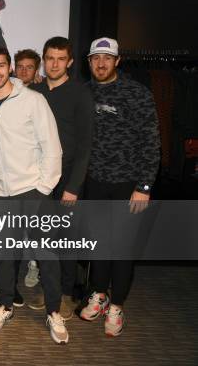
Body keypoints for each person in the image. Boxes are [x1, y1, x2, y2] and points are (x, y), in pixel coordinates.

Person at [0, 46, 64, 344]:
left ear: (9, 67)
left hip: (34, 191)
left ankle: (54, 311)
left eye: (1, 66)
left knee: (48, 256)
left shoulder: (33, 101)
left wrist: (42, 190)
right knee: (2, 256)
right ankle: (4, 305)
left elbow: (52, 148)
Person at [80, 37, 160, 337]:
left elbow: (151, 143)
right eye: (95, 58)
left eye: (107, 58)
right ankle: (99, 295)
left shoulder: (138, 94)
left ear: (117, 61)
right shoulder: (84, 92)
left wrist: (144, 186)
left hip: (129, 186)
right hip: (95, 183)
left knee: (122, 249)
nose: (101, 63)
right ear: (89, 62)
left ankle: (117, 306)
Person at [29, 37, 94, 321]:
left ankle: (66, 294)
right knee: (43, 238)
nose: (54, 64)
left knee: (66, 241)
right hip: (40, 178)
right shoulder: (34, 91)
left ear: (69, 62)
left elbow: (85, 145)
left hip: (67, 179)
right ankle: (49, 288)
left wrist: (73, 187)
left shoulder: (80, 93)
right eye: (49, 58)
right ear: (44, 59)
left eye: (60, 59)